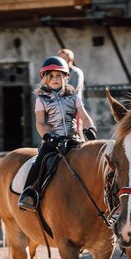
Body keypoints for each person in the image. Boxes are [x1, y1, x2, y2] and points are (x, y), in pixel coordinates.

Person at [18, 56, 97, 212]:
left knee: (93, 161)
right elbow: (40, 123)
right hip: (53, 139)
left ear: (65, 77)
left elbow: (84, 116)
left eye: (59, 75)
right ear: (45, 79)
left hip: (74, 139)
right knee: (40, 161)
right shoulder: (41, 99)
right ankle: (29, 193)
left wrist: (91, 128)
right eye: (51, 76)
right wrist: (48, 137)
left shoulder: (74, 97)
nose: (55, 79)